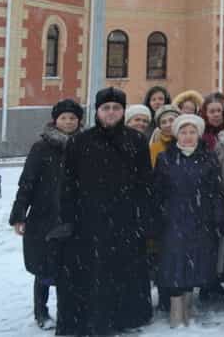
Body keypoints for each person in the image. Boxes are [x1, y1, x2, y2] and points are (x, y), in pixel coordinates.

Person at [55, 87, 154, 335]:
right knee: (92, 275)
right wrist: (68, 219)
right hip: (88, 222)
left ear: (123, 111)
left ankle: (122, 318)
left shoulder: (137, 140)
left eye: (116, 108)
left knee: (123, 272)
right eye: (106, 108)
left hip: (125, 221)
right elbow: (67, 183)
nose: (111, 112)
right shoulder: (80, 141)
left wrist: (144, 216)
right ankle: (94, 321)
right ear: (98, 111)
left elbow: (145, 182)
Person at [10, 99, 83, 329]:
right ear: (56, 120)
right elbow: (27, 182)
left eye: (73, 118)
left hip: (74, 216)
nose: (68, 122)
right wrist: (19, 214)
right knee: (44, 267)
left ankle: (69, 311)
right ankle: (41, 311)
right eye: (64, 118)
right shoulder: (41, 147)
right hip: (45, 216)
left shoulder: (85, 145)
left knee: (71, 267)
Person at [153, 113, 224, 327]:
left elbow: (215, 191)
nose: (187, 136)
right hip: (173, 218)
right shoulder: (165, 158)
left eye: (192, 132)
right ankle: (176, 313)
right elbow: (157, 191)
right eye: (183, 132)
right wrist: (159, 216)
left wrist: (218, 216)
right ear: (177, 135)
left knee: (194, 263)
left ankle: (187, 307)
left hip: (200, 218)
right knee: (174, 264)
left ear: (199, 134)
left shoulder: (209, 158)